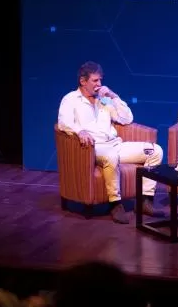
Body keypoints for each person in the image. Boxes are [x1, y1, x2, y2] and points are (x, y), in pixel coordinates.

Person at [57, 61, 163, 224]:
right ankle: (115, 204)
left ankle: (144, 201)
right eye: (95, 81)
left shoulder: (103, 100)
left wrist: (113, 96)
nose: (99, 84)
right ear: (83, 81)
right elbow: (63, 122)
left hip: (115, 145)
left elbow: (126, 118)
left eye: (100, 80)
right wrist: (80, 131)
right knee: (111, 156)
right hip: (92, 148)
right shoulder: (71, 99)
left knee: (155, 151)